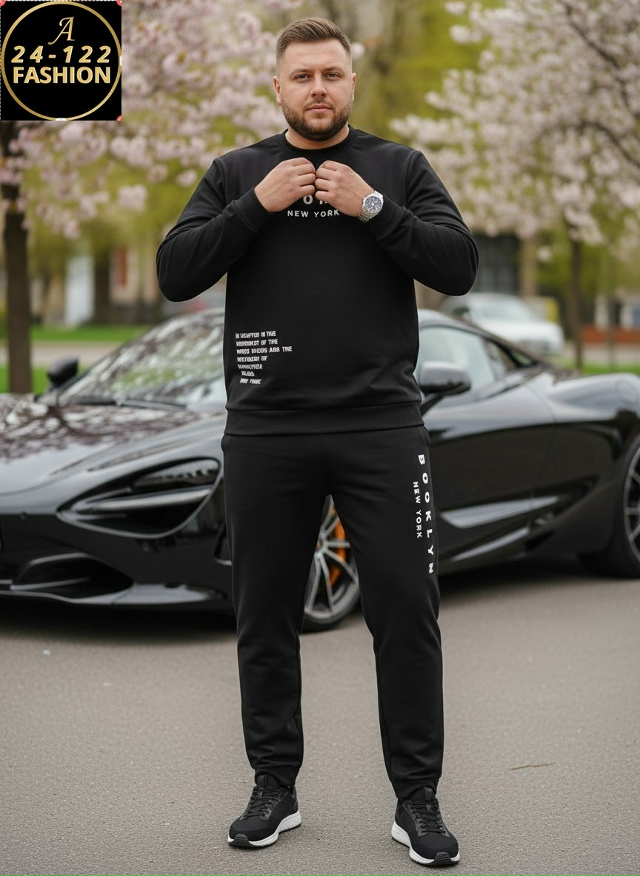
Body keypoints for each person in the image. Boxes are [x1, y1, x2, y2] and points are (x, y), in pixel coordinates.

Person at [157, 16, 477, 868]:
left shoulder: (397, 169)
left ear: (351, 82)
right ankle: (275, 786)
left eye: (331, 73)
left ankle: (417, 799)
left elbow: (457, 264)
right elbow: (176, 271)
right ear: (278, 86)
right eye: (302, 76)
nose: (319, 89)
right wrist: (254, 208)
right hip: (268, 431)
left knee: (406, 613)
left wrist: (372, 209)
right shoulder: (237, 173)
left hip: (382, 427)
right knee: (263, 615)